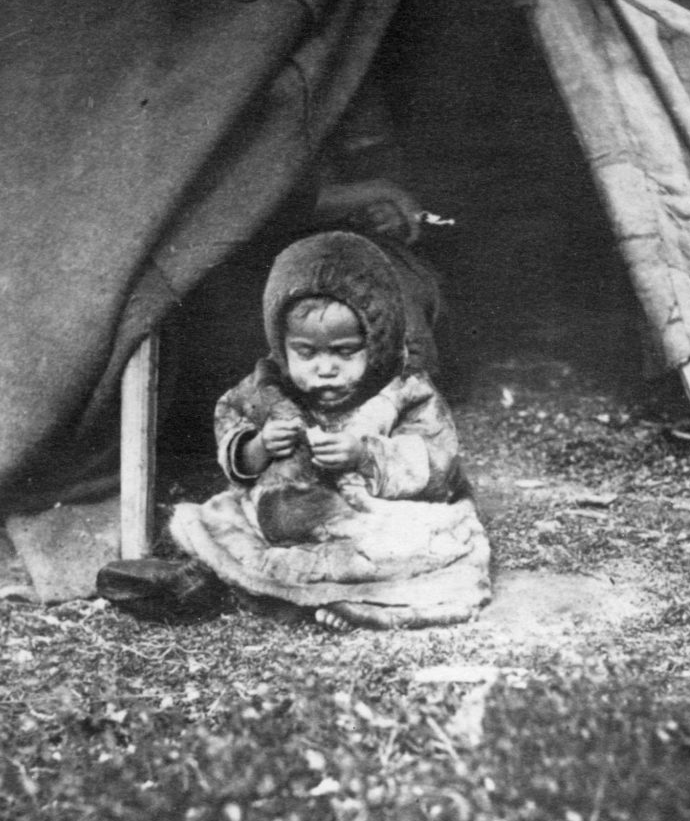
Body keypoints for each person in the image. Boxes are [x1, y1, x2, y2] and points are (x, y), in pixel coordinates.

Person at [176, 230, 488, 630]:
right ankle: (286, 588)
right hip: (291, 517)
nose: (325, 368)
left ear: (376, 341)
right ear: (283, 344)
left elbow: (437, 463)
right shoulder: (266, 390)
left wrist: (365, 456)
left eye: (344, 351)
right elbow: (232, 430)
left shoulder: (403, 388)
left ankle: (362, 602)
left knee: (430, 539)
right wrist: (259, 447)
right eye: (306, 352)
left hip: (372, 520)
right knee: (223, 520)